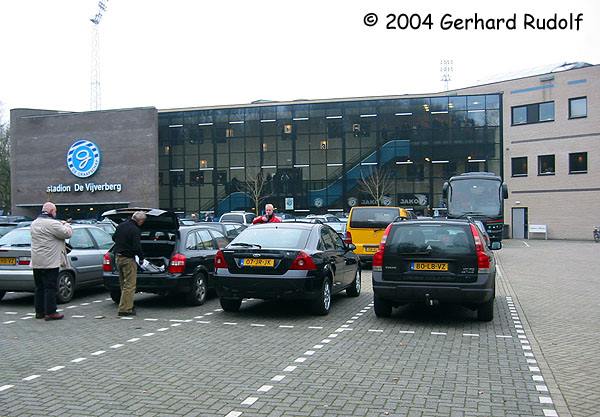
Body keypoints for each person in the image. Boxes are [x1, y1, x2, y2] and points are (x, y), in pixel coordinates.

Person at [30, 202, 73, 321]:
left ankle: (39, 311)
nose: (55, 213)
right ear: (51, 211)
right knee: (50, 287)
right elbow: (67, 233)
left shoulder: (34, 223)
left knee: (39, 287)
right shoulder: (52, 223)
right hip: (50, 261)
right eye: (55, 211)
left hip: (37, 260)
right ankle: (51, 312)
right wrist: (67, 225)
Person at [112, 211, 147, 316]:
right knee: (130, 285)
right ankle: (125, 309)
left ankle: (126, 304)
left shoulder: (121, 226)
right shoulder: (135, 230)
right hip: (128, 259)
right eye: (143, 222)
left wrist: (121, 243)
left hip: (118, 257)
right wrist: (142, 258)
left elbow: (113, 238)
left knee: (123, 283)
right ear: (140, 221)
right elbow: (137, 247)